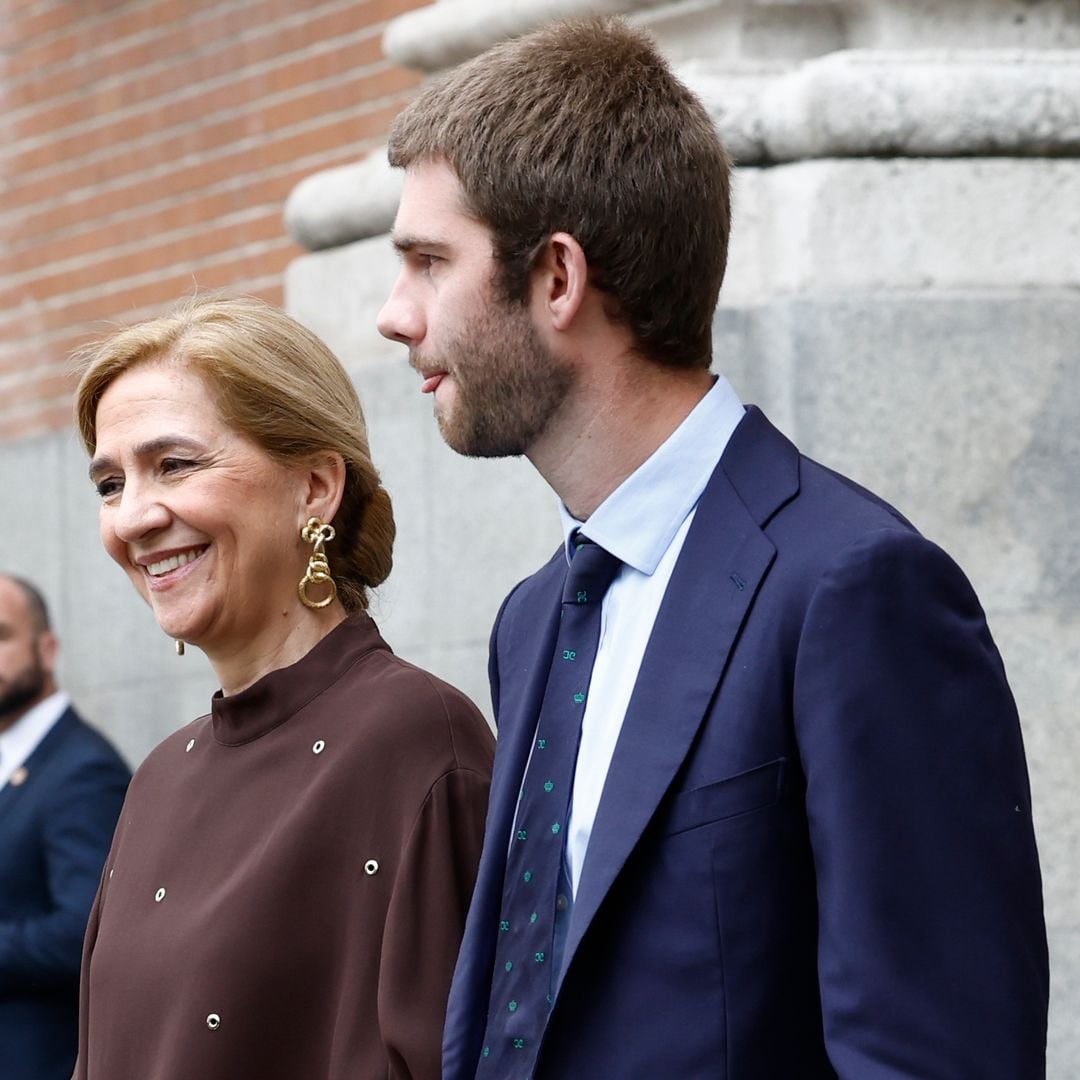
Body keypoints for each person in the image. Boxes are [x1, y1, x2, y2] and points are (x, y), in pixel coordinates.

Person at [376, 17, 1050, 1079]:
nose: (391, 315)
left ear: (557, 278)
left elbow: (935, 1052)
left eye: (426, 262)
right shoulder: (534, 616)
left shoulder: (854, 589)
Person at [70, 295, 494, 1080]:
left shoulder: (417, 738)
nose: (131, 517)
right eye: (108, 483)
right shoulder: (161, 774)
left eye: (174, 464)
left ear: (315, 488)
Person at [0, 573, 129, 1080]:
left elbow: (88, 929)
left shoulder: (83, 769)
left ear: (47, 650)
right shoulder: (18, 758)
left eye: (2, 635)